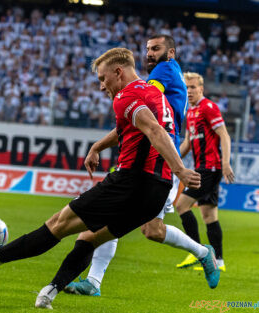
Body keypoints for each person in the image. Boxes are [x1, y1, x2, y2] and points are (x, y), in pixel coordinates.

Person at [0, 48, 218, 310]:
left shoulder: (126, 96)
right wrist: (98, 147)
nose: (102, 86)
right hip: (156, 192)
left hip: (131, 182)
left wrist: (181, 169)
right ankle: (50, 292)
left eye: (103, 79)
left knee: (58, 224)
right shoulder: (154, 94)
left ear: (118, 71)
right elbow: (135, 126)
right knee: (90, 238)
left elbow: (153, 130)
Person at [65, 34, 212, 297]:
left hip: (157, 164)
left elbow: (141, 116)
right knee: (125, 222)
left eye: (156, 49)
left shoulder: (163, 73)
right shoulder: (170, 72)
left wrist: (97, 145)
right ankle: (93, 282)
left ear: (171, 53)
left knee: (150, 229)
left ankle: (202, 252)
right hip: (144, 161)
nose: (149, 54)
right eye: (147, 49)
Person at [175, 72, 234, 271]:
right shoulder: (191, 111)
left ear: (201, 89)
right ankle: (219, 261)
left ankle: (197, 253)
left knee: (182, 205)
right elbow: (187, 143)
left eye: (193, 87)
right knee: (209, 216)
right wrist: (171, 160)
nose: (189, 91)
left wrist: (226, 163)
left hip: (210, 168)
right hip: (204, 167)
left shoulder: (208, 107)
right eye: (186, 87)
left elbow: (224, 136)